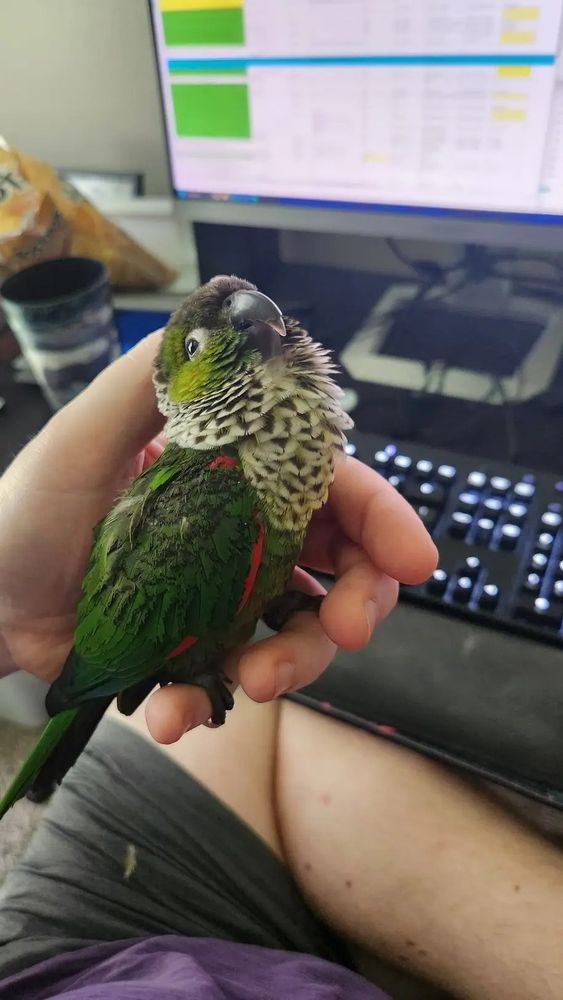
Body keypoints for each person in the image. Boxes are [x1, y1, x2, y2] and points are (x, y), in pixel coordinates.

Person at [0, 333, 563, 1000]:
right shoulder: (214, 496)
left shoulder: (254, 478)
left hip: (80, 958)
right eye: (202, 340)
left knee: (283, 697)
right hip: (122, 926)